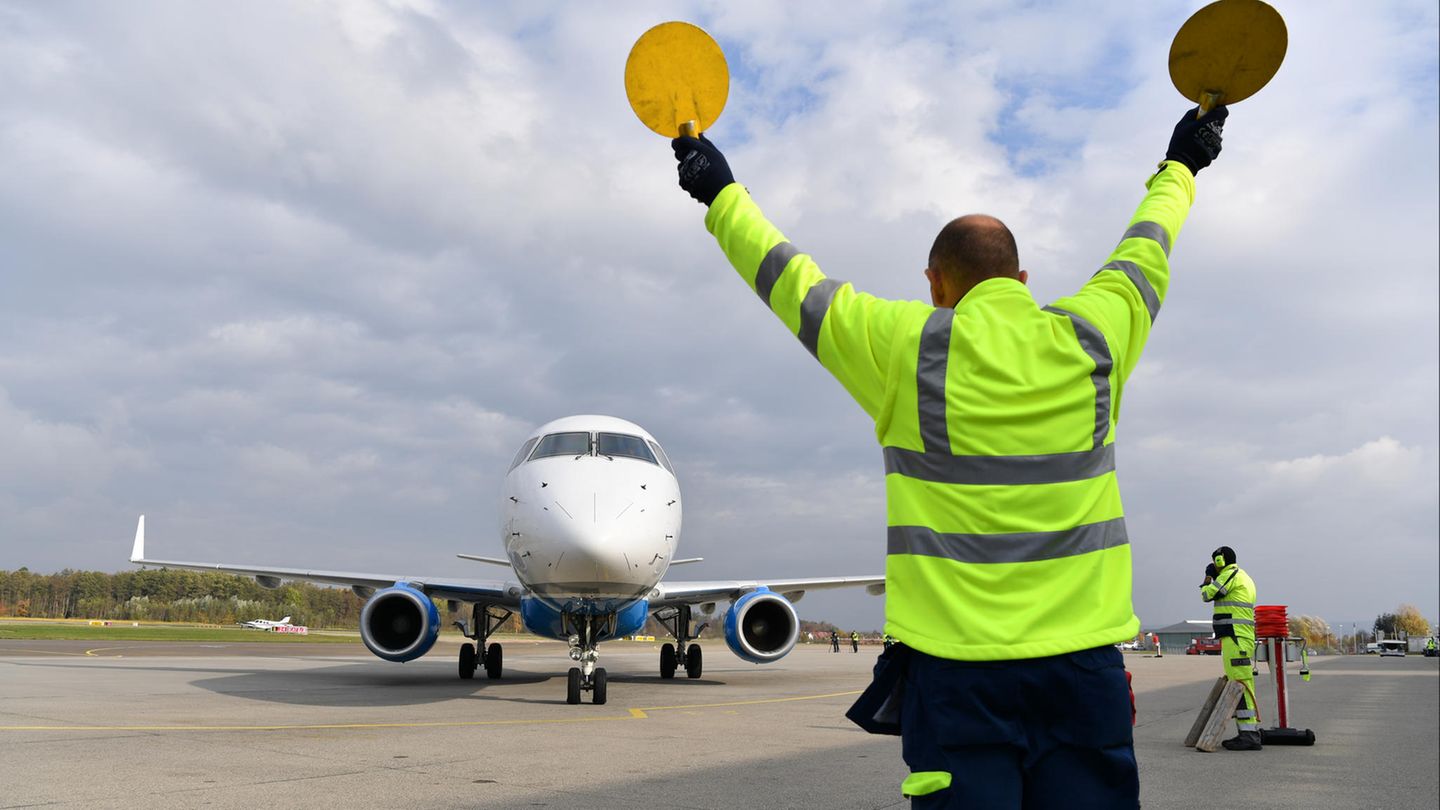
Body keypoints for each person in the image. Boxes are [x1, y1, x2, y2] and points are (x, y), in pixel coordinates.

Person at [672, 103, 1229, 806]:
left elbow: (791, 282)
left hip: (956, 677)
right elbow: (1147, 245)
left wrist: (720, 192)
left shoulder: (906, 347)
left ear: (935, 284)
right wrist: (1183, 163)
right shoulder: (1094, 337)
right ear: (1022, 281)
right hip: (1082, 671)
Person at [1199, 545, 1260, 751]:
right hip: (1238, 637)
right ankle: (1248, 732)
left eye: (1215, 562)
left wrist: (1208, 578)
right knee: (1240, 682)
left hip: (1236, 637)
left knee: (1240, 684)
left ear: (1220, 561)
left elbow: (1207, 595)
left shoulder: (1230, 574)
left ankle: (1249, 734)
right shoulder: (1242, 576)